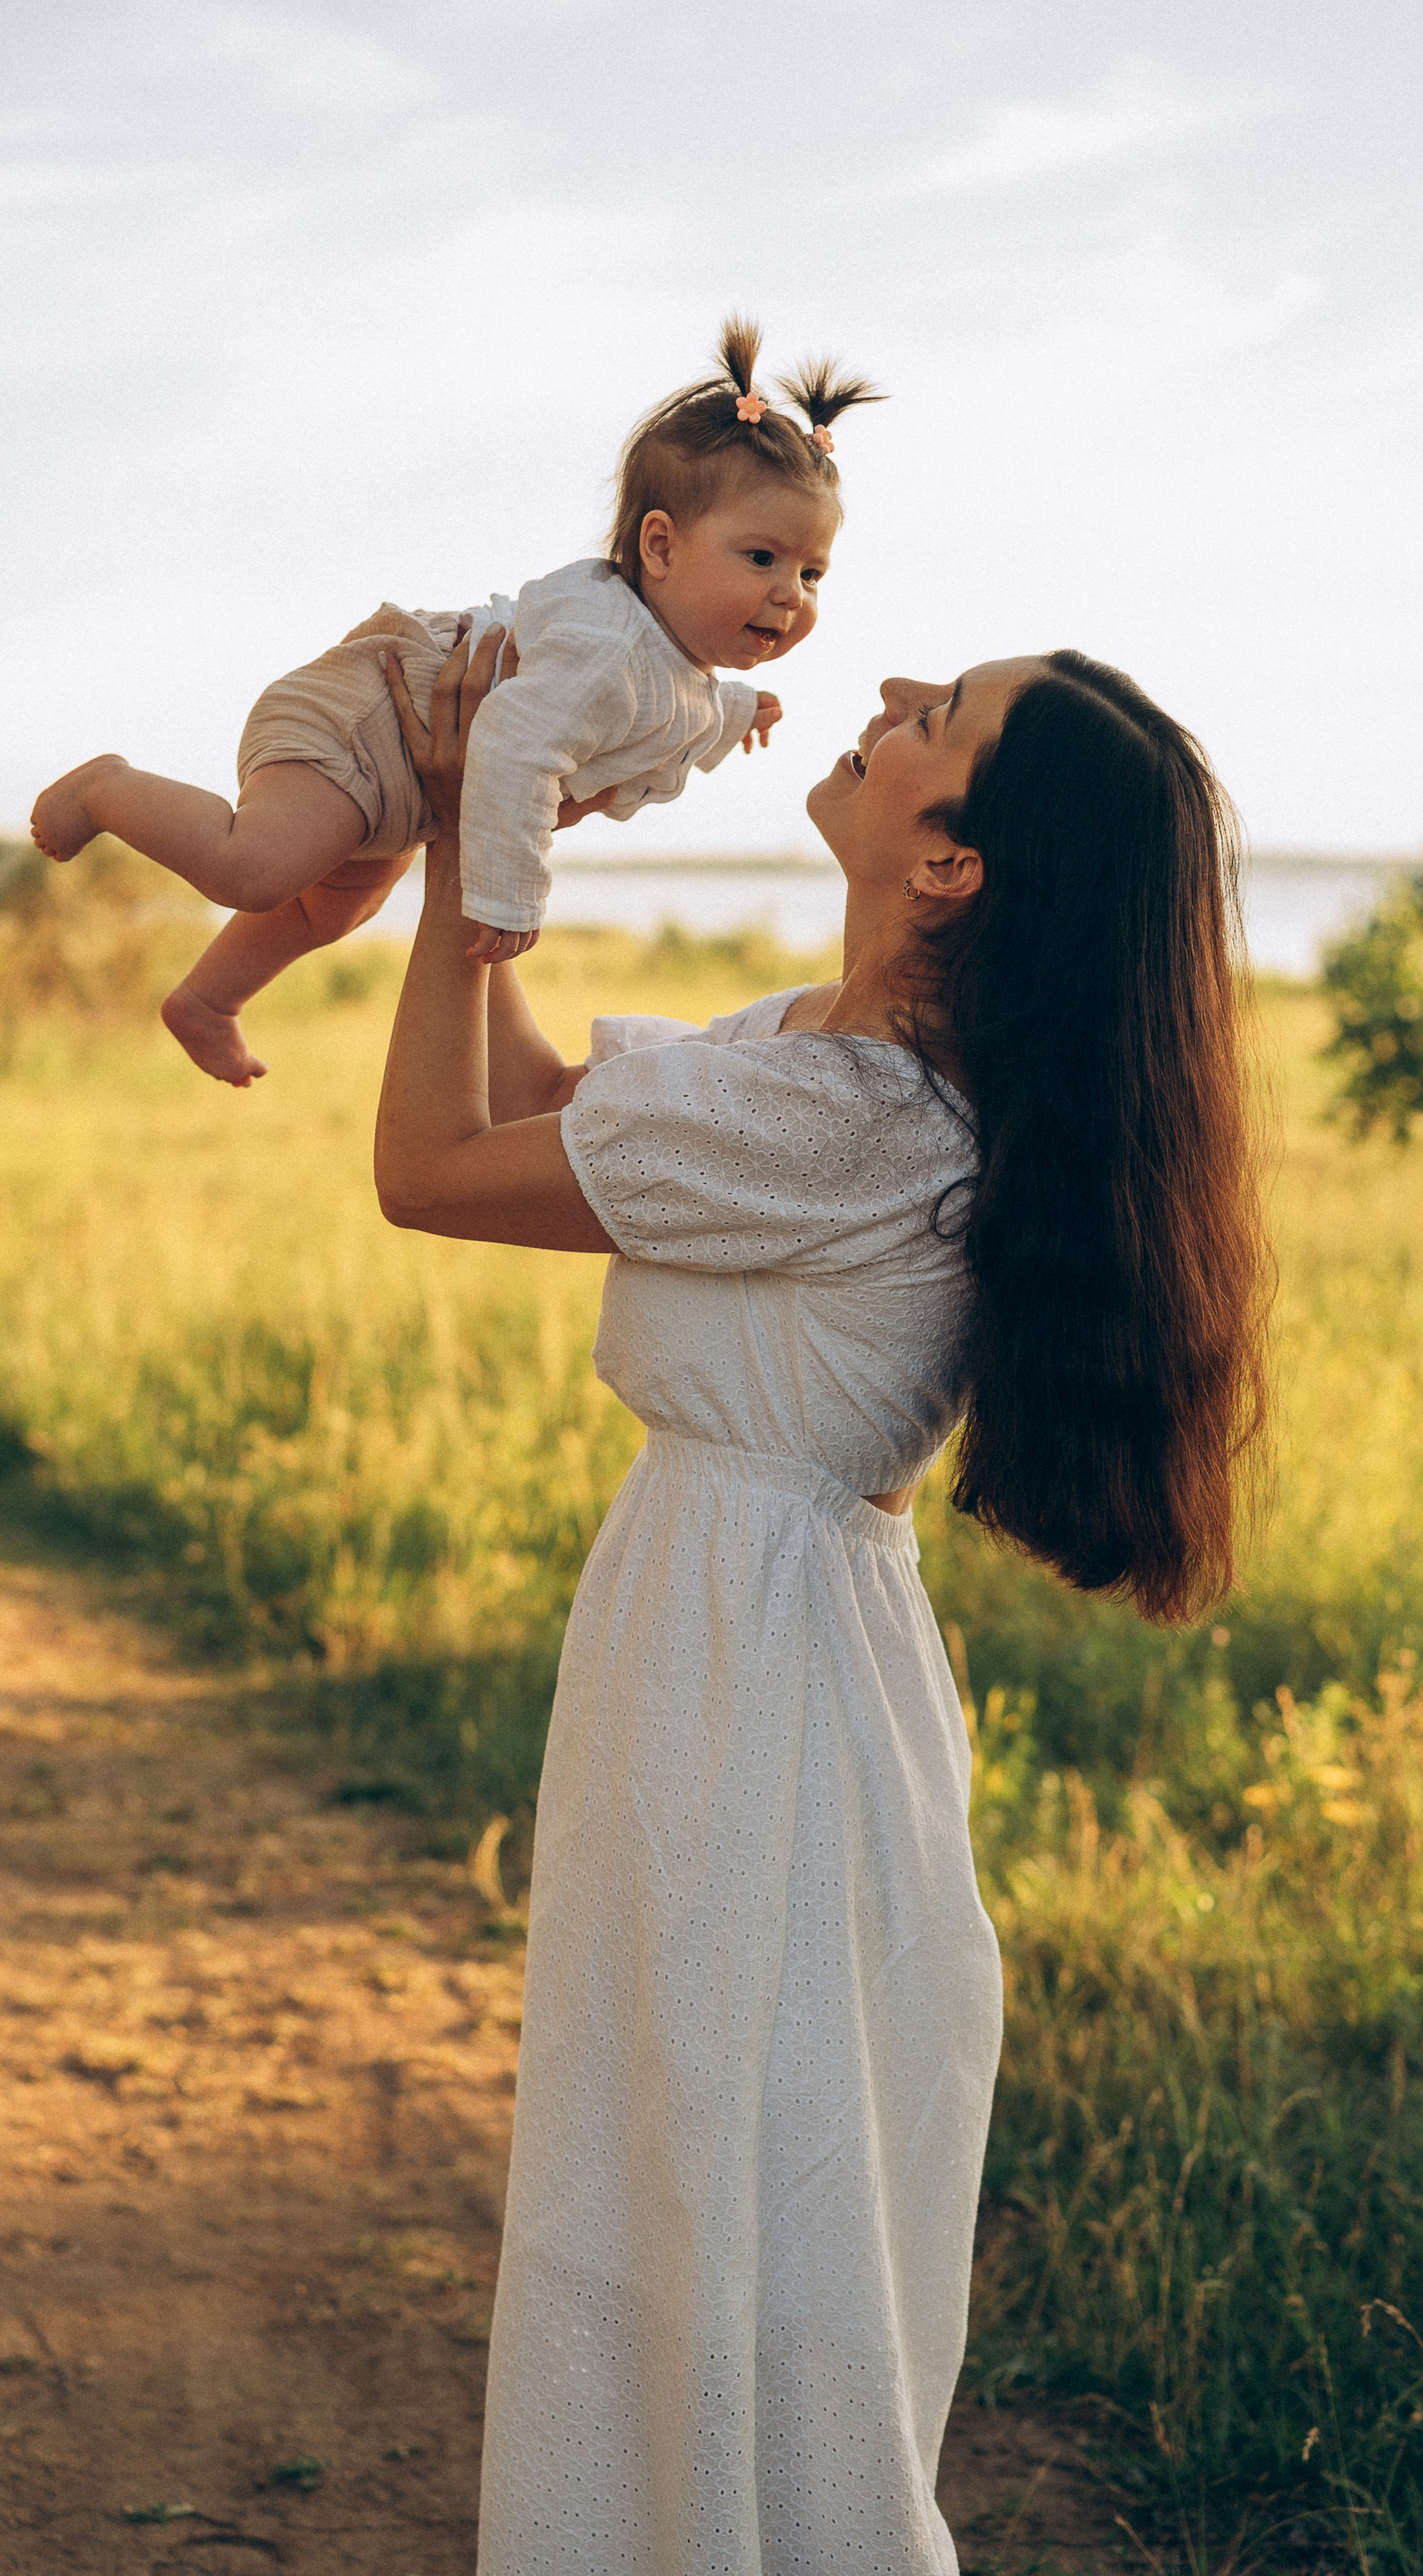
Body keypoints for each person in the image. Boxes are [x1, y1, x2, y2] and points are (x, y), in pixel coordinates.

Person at [372, 627, 1270, 2575]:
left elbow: (431, 1166)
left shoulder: (854, 1116)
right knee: (706, 2167)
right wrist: (499, 821)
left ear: (949, 857)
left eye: (930, 718)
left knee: (726, 2182)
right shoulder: (823, 1061)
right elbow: (548, 1108)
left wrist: (468, 846)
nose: (878, 703)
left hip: (751, 1674)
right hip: (740, 1633)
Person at [27, 319, 875, 1087]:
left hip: (410, 764)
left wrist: (740, 713)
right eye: (761, 557)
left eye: (811, 573)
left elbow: (682, 706)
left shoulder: (672, 663)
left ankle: (208, 1000)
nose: (790, 594)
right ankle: (106, 785)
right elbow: (512, 746)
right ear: (659, 546)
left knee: (336, 905)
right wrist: (505, 898)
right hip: (375, 714)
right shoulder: (607, 647)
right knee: (257, 870)